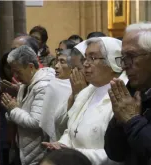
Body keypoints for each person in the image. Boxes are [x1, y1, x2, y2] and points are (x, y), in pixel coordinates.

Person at [43, 37, 128, 165]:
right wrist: (61, 145)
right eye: (85, 59)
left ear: (111, 62)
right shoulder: (86, 92)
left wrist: (72, 154)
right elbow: (71, 130)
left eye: (92, 58)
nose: (86, 64)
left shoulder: (124, 95)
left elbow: (118, 152)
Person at [104, 23, 151, 165]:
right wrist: (118, 123)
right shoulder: (131, 91)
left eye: (131, 56)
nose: (124, 65)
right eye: (123, 57)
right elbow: (114, 153)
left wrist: (132, 120)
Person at [1, 45, 55, 165]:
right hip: (23, 149)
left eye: (18, 71)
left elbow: (36, 122)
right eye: (13, 71)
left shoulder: (43, 86)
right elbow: (21, 111)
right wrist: (11, 110)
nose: (14, 76)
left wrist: (13, 109)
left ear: (30, 67)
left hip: (37, 154)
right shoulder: (25, 84)